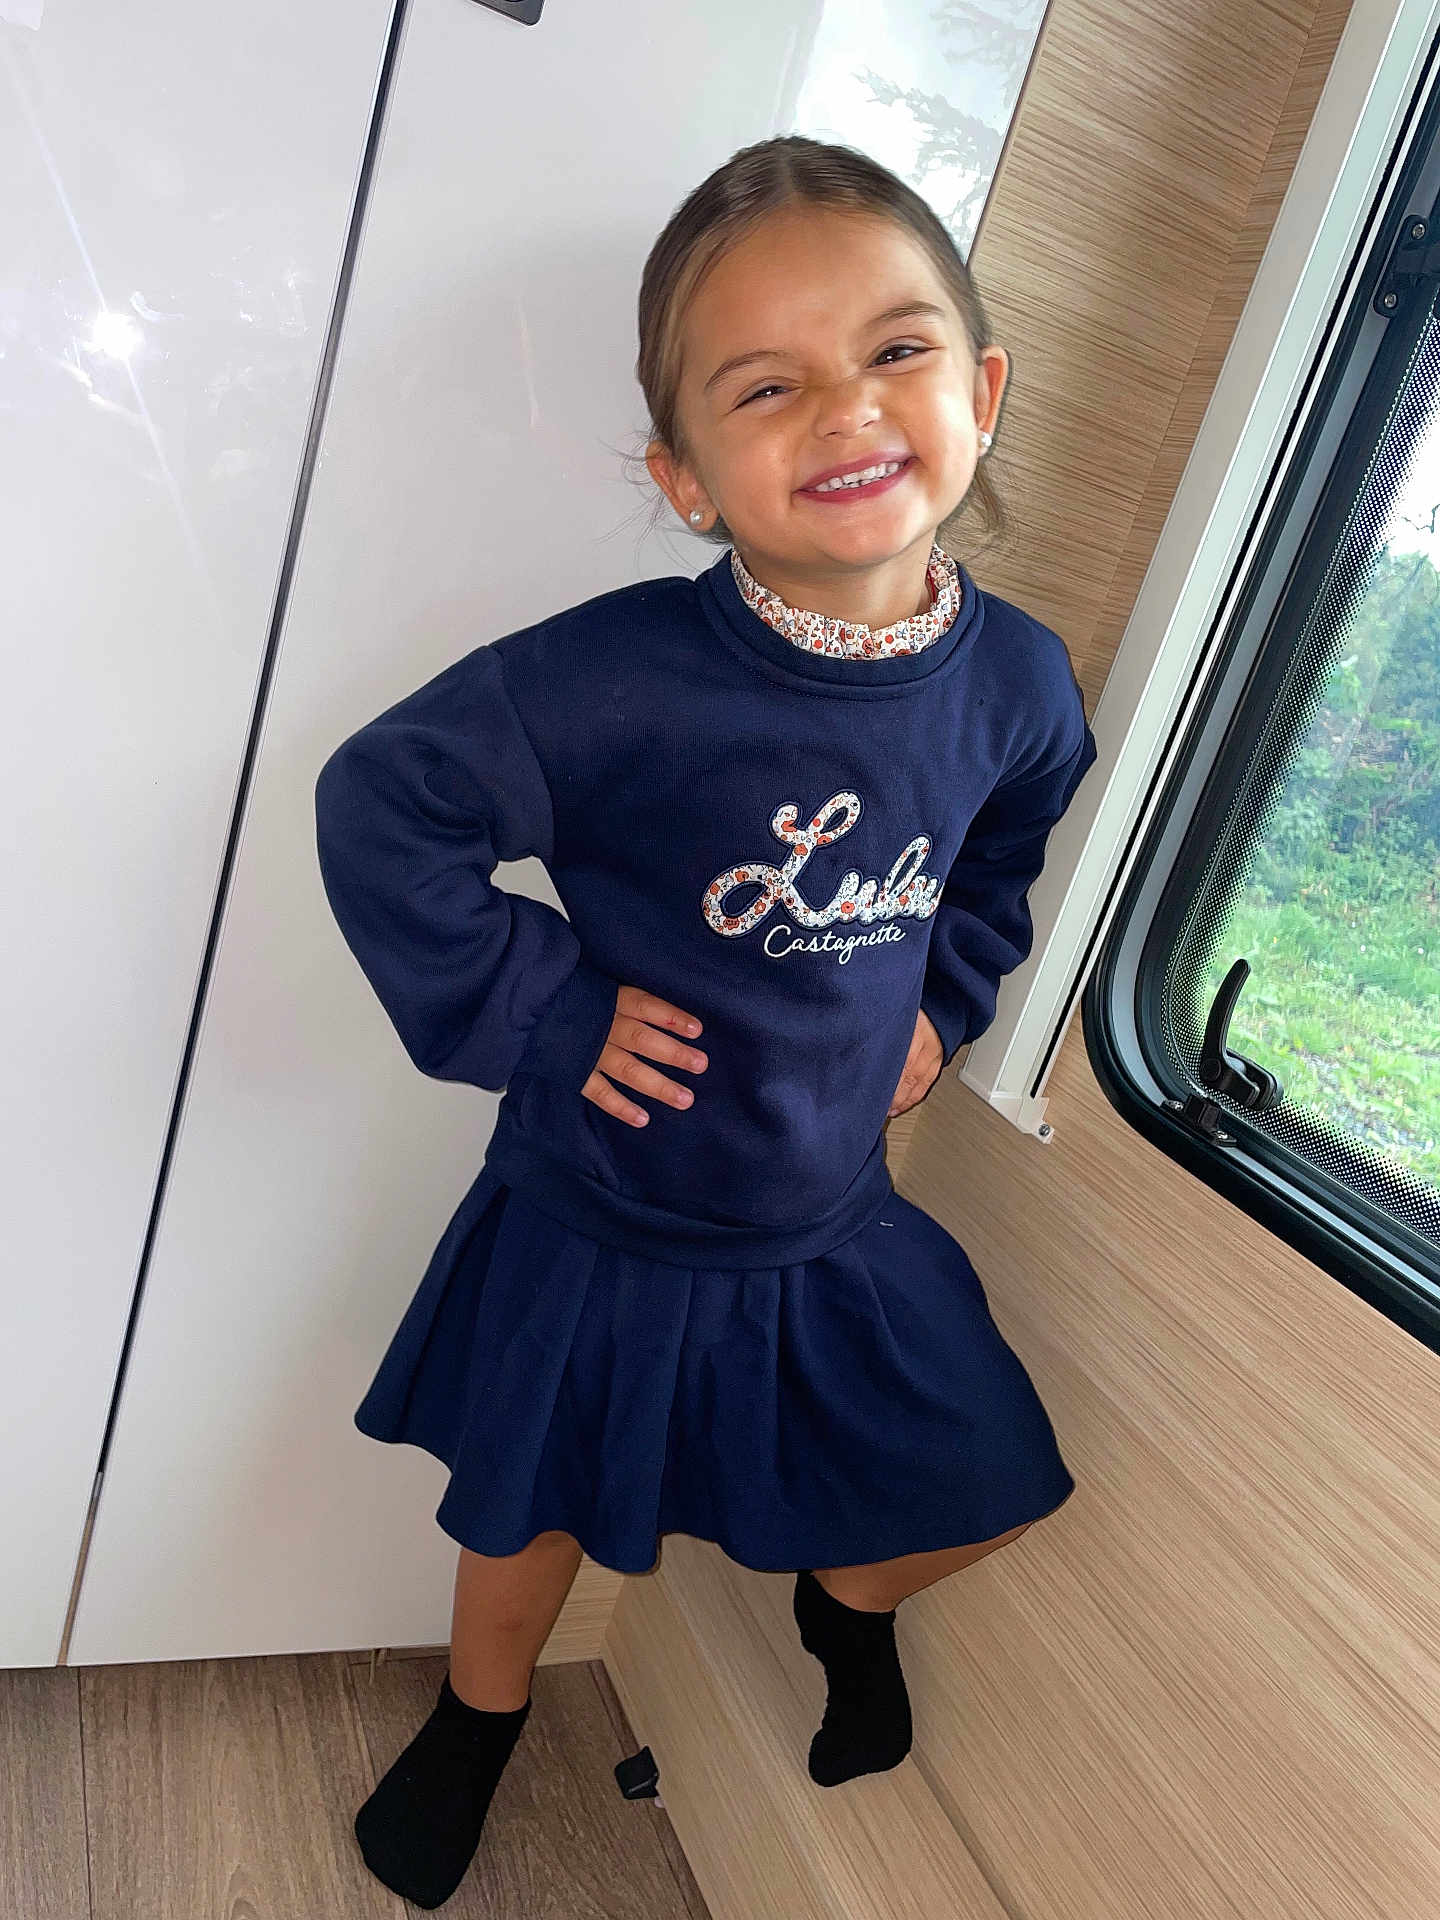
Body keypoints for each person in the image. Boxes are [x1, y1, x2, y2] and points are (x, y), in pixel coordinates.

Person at [314, 133, 1099, 1910]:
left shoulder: (1024, 682)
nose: (845, 407)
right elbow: (384, 806)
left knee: (986, 1474)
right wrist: (543, 1002)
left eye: (895, 351)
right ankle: (478, 1720)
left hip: (830, 1222)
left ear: (978, 390)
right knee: (529, 1515)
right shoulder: (612, 678)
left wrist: (949, 1006)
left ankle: (847, 1595)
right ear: (685, 476)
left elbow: (996, 861)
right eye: (769, 384)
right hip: (604, 1209)